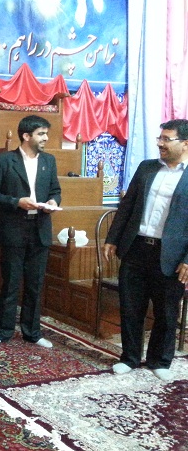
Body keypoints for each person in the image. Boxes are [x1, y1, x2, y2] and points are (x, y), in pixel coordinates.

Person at [103, 119, 188, 381]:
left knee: (166, 311)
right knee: (131, 306)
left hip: (171, 254)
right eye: (159, 138)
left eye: (166, 139)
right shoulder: (147, 167)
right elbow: (127, 205)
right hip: (137, 247)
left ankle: (160, 360)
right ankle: (129, 357)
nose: (160, 143)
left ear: (185, 143)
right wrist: (112, 238)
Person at [0, 115, 61, 349]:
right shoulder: (5, 160)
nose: (45, 138)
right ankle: (3, 330)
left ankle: (32, 332)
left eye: (46, 133)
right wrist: (17, 202)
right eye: (41, 134)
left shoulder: (49, 160)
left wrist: (53, 202)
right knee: (11, 282)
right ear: (26, 136)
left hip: (40, 228)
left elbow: (55, 190)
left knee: (35, 284)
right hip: (14, 228)